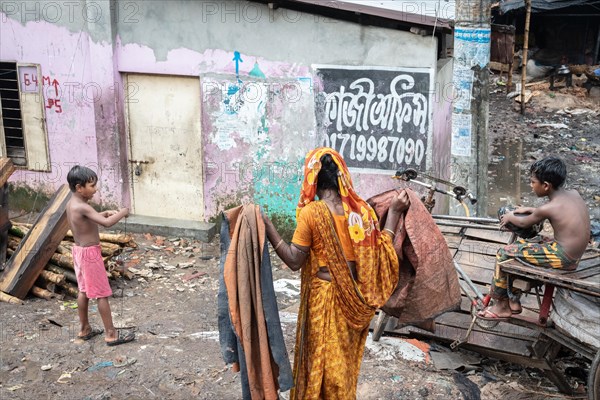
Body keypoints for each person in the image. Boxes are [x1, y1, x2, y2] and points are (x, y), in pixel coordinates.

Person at [262, 147, 410, 399]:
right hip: (354, 299)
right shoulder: (361, 212)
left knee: (323, 366)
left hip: (326, 301)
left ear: (312, 180)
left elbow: (294, 260)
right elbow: (381, 255)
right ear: (342, 176)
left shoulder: (312, 214)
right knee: (342, 367)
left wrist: (267, 227)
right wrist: (394, 213)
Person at [478, 156, 591, 320]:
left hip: (564, 258)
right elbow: (544, 211)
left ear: (546, 186)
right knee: (522, 247)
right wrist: (530, 209)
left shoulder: (550, 208)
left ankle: (501, 306)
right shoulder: (573, 194)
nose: (531, 186)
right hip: (573, 252)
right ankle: (514, 300)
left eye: (532, 182)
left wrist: (509, 216)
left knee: (504, 253)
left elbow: (524, 223)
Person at [66, 165, 135, 346]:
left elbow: (88, 220)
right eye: (91, 186)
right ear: (79, 187)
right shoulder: (83, 206)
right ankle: (111, 334)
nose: (95, 189)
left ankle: (84, 328)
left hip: (79, 252)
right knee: (102, 294)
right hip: (90, 255)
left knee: (84, 291)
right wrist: (123, 212)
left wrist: (102, 213)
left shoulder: (72, 204)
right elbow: (106, 224)